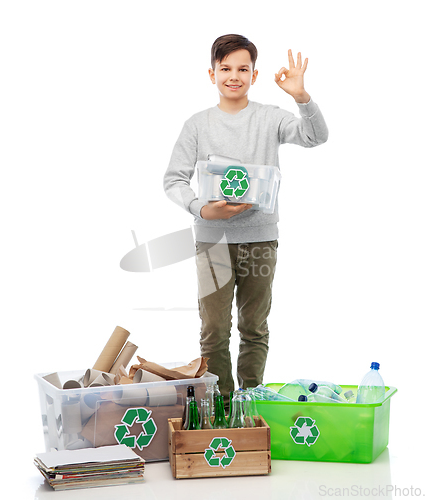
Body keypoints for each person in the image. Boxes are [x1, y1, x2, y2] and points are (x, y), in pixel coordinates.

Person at [163, 34, 328, 400]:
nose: (233, 76)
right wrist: (202, 209)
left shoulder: (270, 118)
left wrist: (301, 97)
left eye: (243, 69)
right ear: (212, 74)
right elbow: (173, 179)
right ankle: (220, 406)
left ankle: (251, 402)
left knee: (254, 327)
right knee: (214, 330)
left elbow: (316, 137)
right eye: (225, 68)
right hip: (213, 241)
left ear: (254, 75)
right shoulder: (197, 125)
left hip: (259, 239)